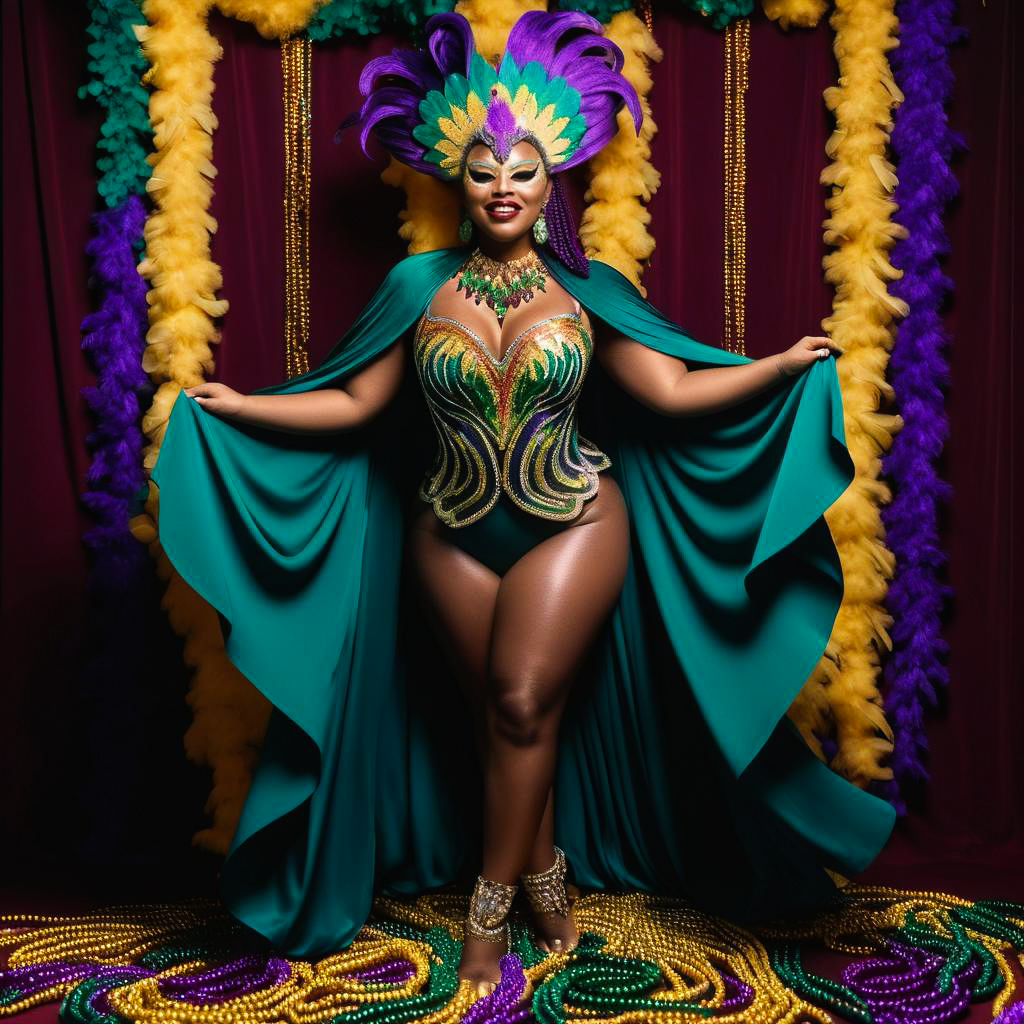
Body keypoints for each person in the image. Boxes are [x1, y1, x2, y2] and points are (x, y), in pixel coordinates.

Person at [152, 9, 896, 998]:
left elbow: (669, 392)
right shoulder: (417, 285)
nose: (503, 184)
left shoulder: (590, 286)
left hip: (576, 518)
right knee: (503, 719)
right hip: (446, 533)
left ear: (555, 180)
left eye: (524, 168)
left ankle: (488, 906)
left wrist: (773, 369)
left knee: (515, 700)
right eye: (483, 169)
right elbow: (355, 402)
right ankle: (548, 879)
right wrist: (245, 406)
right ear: (457, 181)